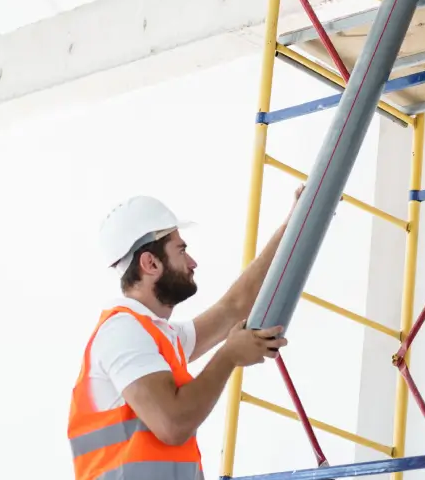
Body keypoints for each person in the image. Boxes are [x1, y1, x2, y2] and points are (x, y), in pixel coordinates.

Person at [67, 190, 301, 480]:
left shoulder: (158, 335)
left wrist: (292, 225)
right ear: (150, 264)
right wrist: (228, 356)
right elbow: (173, 424)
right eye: (181, 250)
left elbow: (235, 307)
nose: (192, 262)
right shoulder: (122, 332)